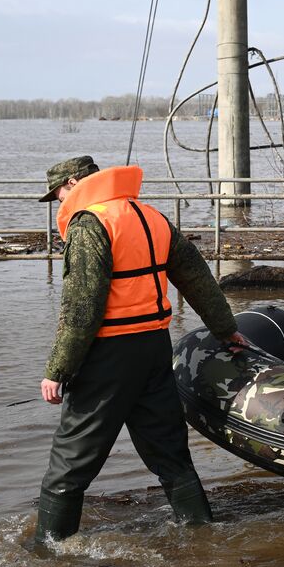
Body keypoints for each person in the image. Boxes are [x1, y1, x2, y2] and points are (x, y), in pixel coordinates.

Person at [34, 155, 247, 543]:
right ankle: (202, 535)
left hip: (107, 356)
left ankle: (46, 548)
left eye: (59, 195)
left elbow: (82, 306)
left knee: (70, 459)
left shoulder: (89, 224)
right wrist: (226, 329)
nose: (60, 205)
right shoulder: (151, 216)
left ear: (72, 184)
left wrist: (58, 370)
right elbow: (195, 275)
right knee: (169, 452)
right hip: (153, 349)